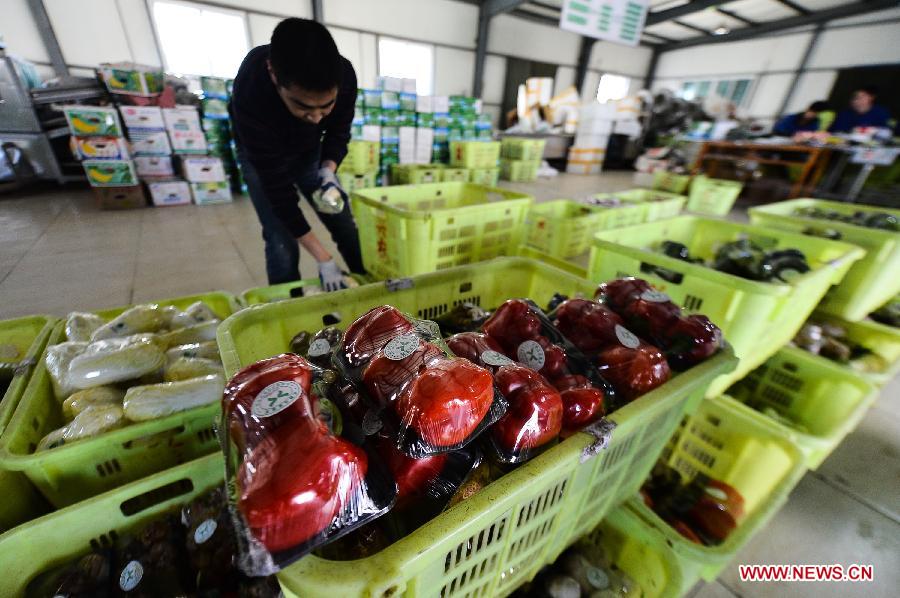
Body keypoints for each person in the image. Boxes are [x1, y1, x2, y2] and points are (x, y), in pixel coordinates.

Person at [230, 18, 364, 290]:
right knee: (281, 240)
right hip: (261, 157)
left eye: (325, 107)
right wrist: (323, 258)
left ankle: (371, 288)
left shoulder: (344, 76)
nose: (316, 118)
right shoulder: (251, 86)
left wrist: (328, 169)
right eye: (304, 107)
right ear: (273, 74)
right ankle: (284, 308)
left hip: (309, 153)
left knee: (343, 222)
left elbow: (339, 131)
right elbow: (278, 192)